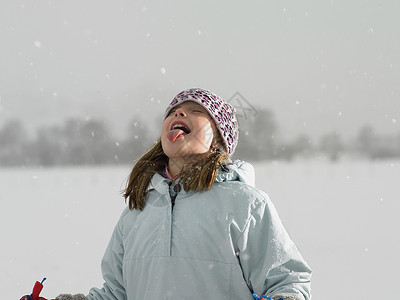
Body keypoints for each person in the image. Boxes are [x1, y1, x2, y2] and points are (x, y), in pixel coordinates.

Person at [20, 88, 312, 300]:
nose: (180, 112)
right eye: (174, 111)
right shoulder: (137, 212)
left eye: (197, 111)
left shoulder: (245, 204)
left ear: (219, 142)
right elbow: (116, 293)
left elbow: (287, 282)